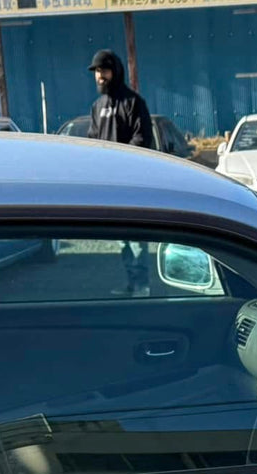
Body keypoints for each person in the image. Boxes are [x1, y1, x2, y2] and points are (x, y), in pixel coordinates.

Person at [87, 50, 154, 294]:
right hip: (108, 186)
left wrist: (119, 162)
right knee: (121, 239)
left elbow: (143, 139)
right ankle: (131, 283)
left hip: (132, 184)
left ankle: (142, 286)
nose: (99, 76)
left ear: (115, 71)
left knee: (136, 237)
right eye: (96, 72)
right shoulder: (97, 106)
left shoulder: (134, 103)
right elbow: (92, 141)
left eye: (103, 70)